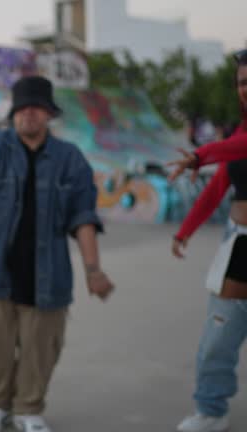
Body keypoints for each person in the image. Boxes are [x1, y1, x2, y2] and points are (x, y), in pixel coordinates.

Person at [0, 76, 115, 432]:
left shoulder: (69, 159)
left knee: (40, 349)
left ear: (48, 114)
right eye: (22, 108)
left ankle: (29, 409)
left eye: (36, 108)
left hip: (48, 274)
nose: (29, 114)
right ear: (13, 113)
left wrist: (93, 270)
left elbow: (83, 217)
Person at [166, 48, 247, 432]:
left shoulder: (235, 142)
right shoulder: (237, 135)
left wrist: (200, 155)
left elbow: (236, 150)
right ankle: (211, 410)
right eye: (243, 82)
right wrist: (185, 231)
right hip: (240, 244)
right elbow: (218, 188)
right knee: (218, 337)